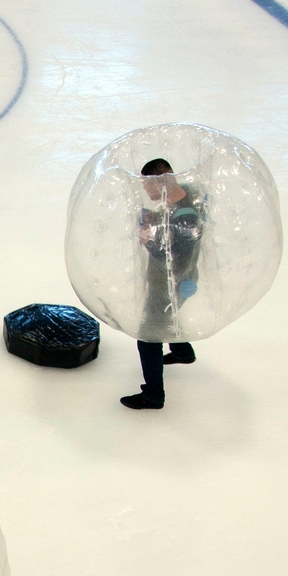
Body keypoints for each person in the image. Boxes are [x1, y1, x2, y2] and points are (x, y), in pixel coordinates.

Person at [121, 158, 203, 409]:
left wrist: (148, 242)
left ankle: (153, 395)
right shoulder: (186, 194)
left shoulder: (185, 217)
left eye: (148, 185)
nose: (146, 190)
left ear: (162, 182)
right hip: (178, 282)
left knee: (148, 335)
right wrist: (153, 217)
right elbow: (170, 220)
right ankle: (182, 352)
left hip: (170, 284)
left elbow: (176, 256)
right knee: (167, 316)